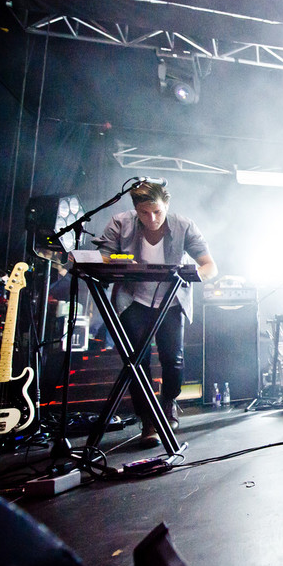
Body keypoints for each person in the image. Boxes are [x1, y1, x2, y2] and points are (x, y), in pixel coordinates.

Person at [93, 181, 218, 447]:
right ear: (135, 210)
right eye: (144, 213)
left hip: (171, 302)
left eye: (157, 212)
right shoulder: (120, 222)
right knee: (138, 363)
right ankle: (147, 418)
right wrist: (122, 261)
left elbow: (209, 265)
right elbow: (101, 258)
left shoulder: (184, 225)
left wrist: (194, 274)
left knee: (173, 359)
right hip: (133, 300)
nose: (151, 219)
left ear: (167, 206)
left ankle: (169, 402)